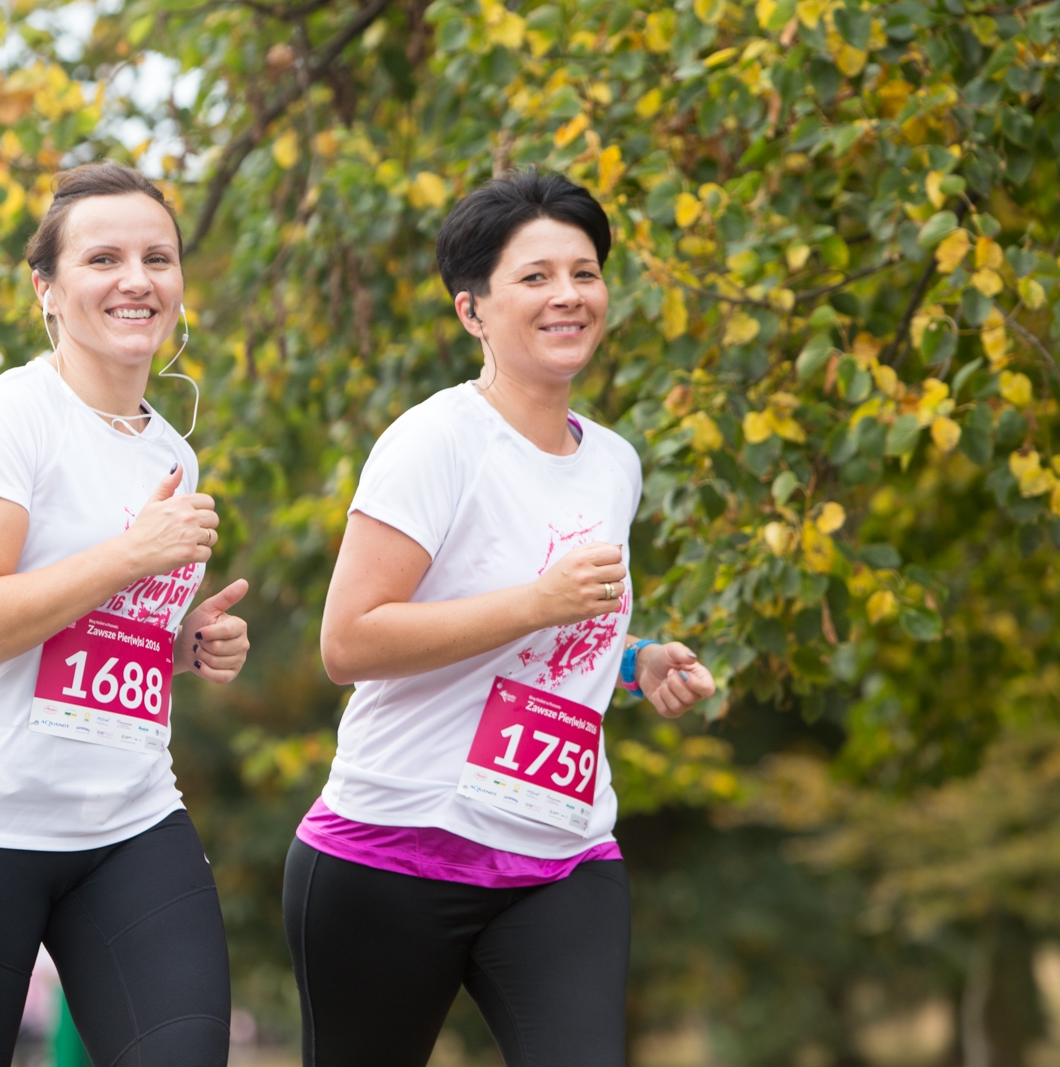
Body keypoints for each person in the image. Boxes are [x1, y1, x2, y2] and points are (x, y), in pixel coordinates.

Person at [285, 169, 718, 1067]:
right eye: (535, 276)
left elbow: (560, 626)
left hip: (563, 853)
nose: (569, 295)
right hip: (396, 847)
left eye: (585, 272)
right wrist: (537, 602)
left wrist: (633, 659)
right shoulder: (435, 441)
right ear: (473, 309)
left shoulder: (616, 463)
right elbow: (349, 641)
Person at [0, 161, 250, 1066]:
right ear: (46, 287)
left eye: (157, 257)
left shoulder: (170, 451)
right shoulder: (5, 420)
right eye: (103, 258)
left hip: (128, 821)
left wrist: (180, 644)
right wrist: (133, 553)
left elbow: (87, 638)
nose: (136, 279)